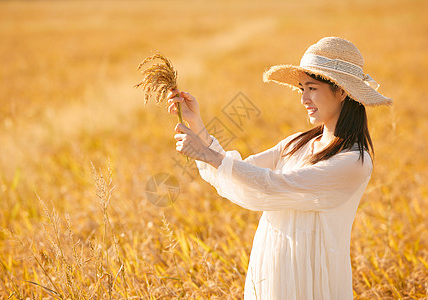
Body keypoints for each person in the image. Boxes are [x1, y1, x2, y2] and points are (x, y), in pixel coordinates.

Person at [167, 37, 392, 299]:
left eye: (312, 88)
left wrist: (205, 153)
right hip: (273, 264)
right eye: (302, 89)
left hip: (311, 276)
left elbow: (274, 185)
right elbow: (243, 172)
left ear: (341, 91)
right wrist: (197, 124)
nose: (304, 99)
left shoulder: (354, 161)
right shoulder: (298, 142)